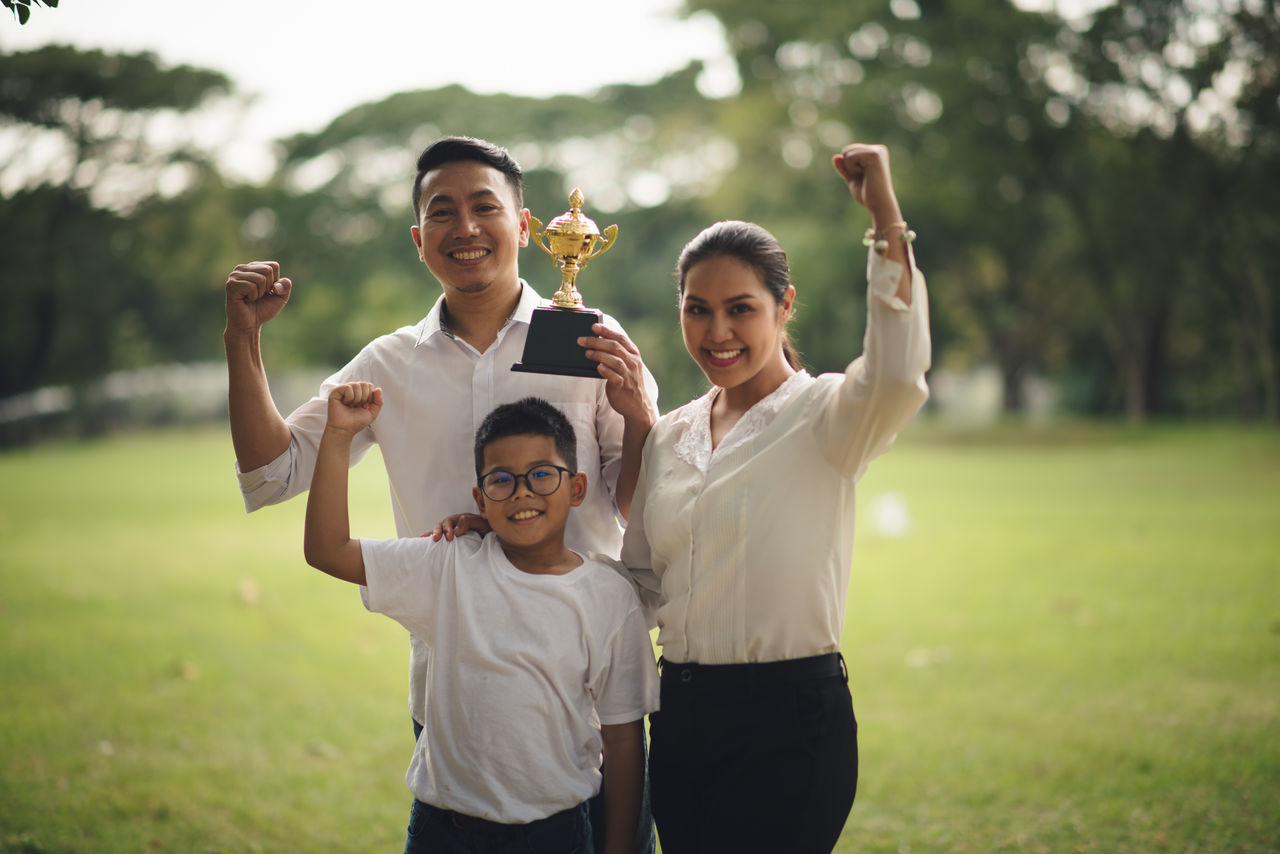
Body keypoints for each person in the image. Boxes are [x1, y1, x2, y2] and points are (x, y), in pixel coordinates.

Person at [222, 136, 658, 852]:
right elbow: (272, 472)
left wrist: (640, 418)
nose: (465, 228)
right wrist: (243, 341)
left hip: (589, 683)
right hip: (459, 691)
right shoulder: (390, 362)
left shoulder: (588, 341)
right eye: (442, 211)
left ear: (525, 226)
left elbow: (638, 509)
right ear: (419, 239)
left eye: (485, 206)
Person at [610, 143, 931, 853]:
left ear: (784, 307)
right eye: (698, 310)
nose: (717, 332)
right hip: (685, 717)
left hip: (793, 721)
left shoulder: (826, 416)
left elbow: (900, 375)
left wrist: (884, 215)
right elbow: (639, 582)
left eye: (740, 309)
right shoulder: (672, 435)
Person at [305, 390, 659, 854]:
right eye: (502, 480)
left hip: (553, 835)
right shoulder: (451, 564)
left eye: (541, 475)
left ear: (576, 488)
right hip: (441, 831)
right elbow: (328, 551)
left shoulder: (608, 596)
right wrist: (336, 436)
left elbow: (624, 739)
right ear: (480, 498)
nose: (522, 492)